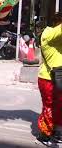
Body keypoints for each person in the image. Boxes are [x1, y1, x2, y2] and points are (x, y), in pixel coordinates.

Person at [36, 12, 62, 147]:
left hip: (57, 77)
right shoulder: (49, 33)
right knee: (50, 106)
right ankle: (44, 133)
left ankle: (57, 132)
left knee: (58, 106)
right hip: (48, 78)